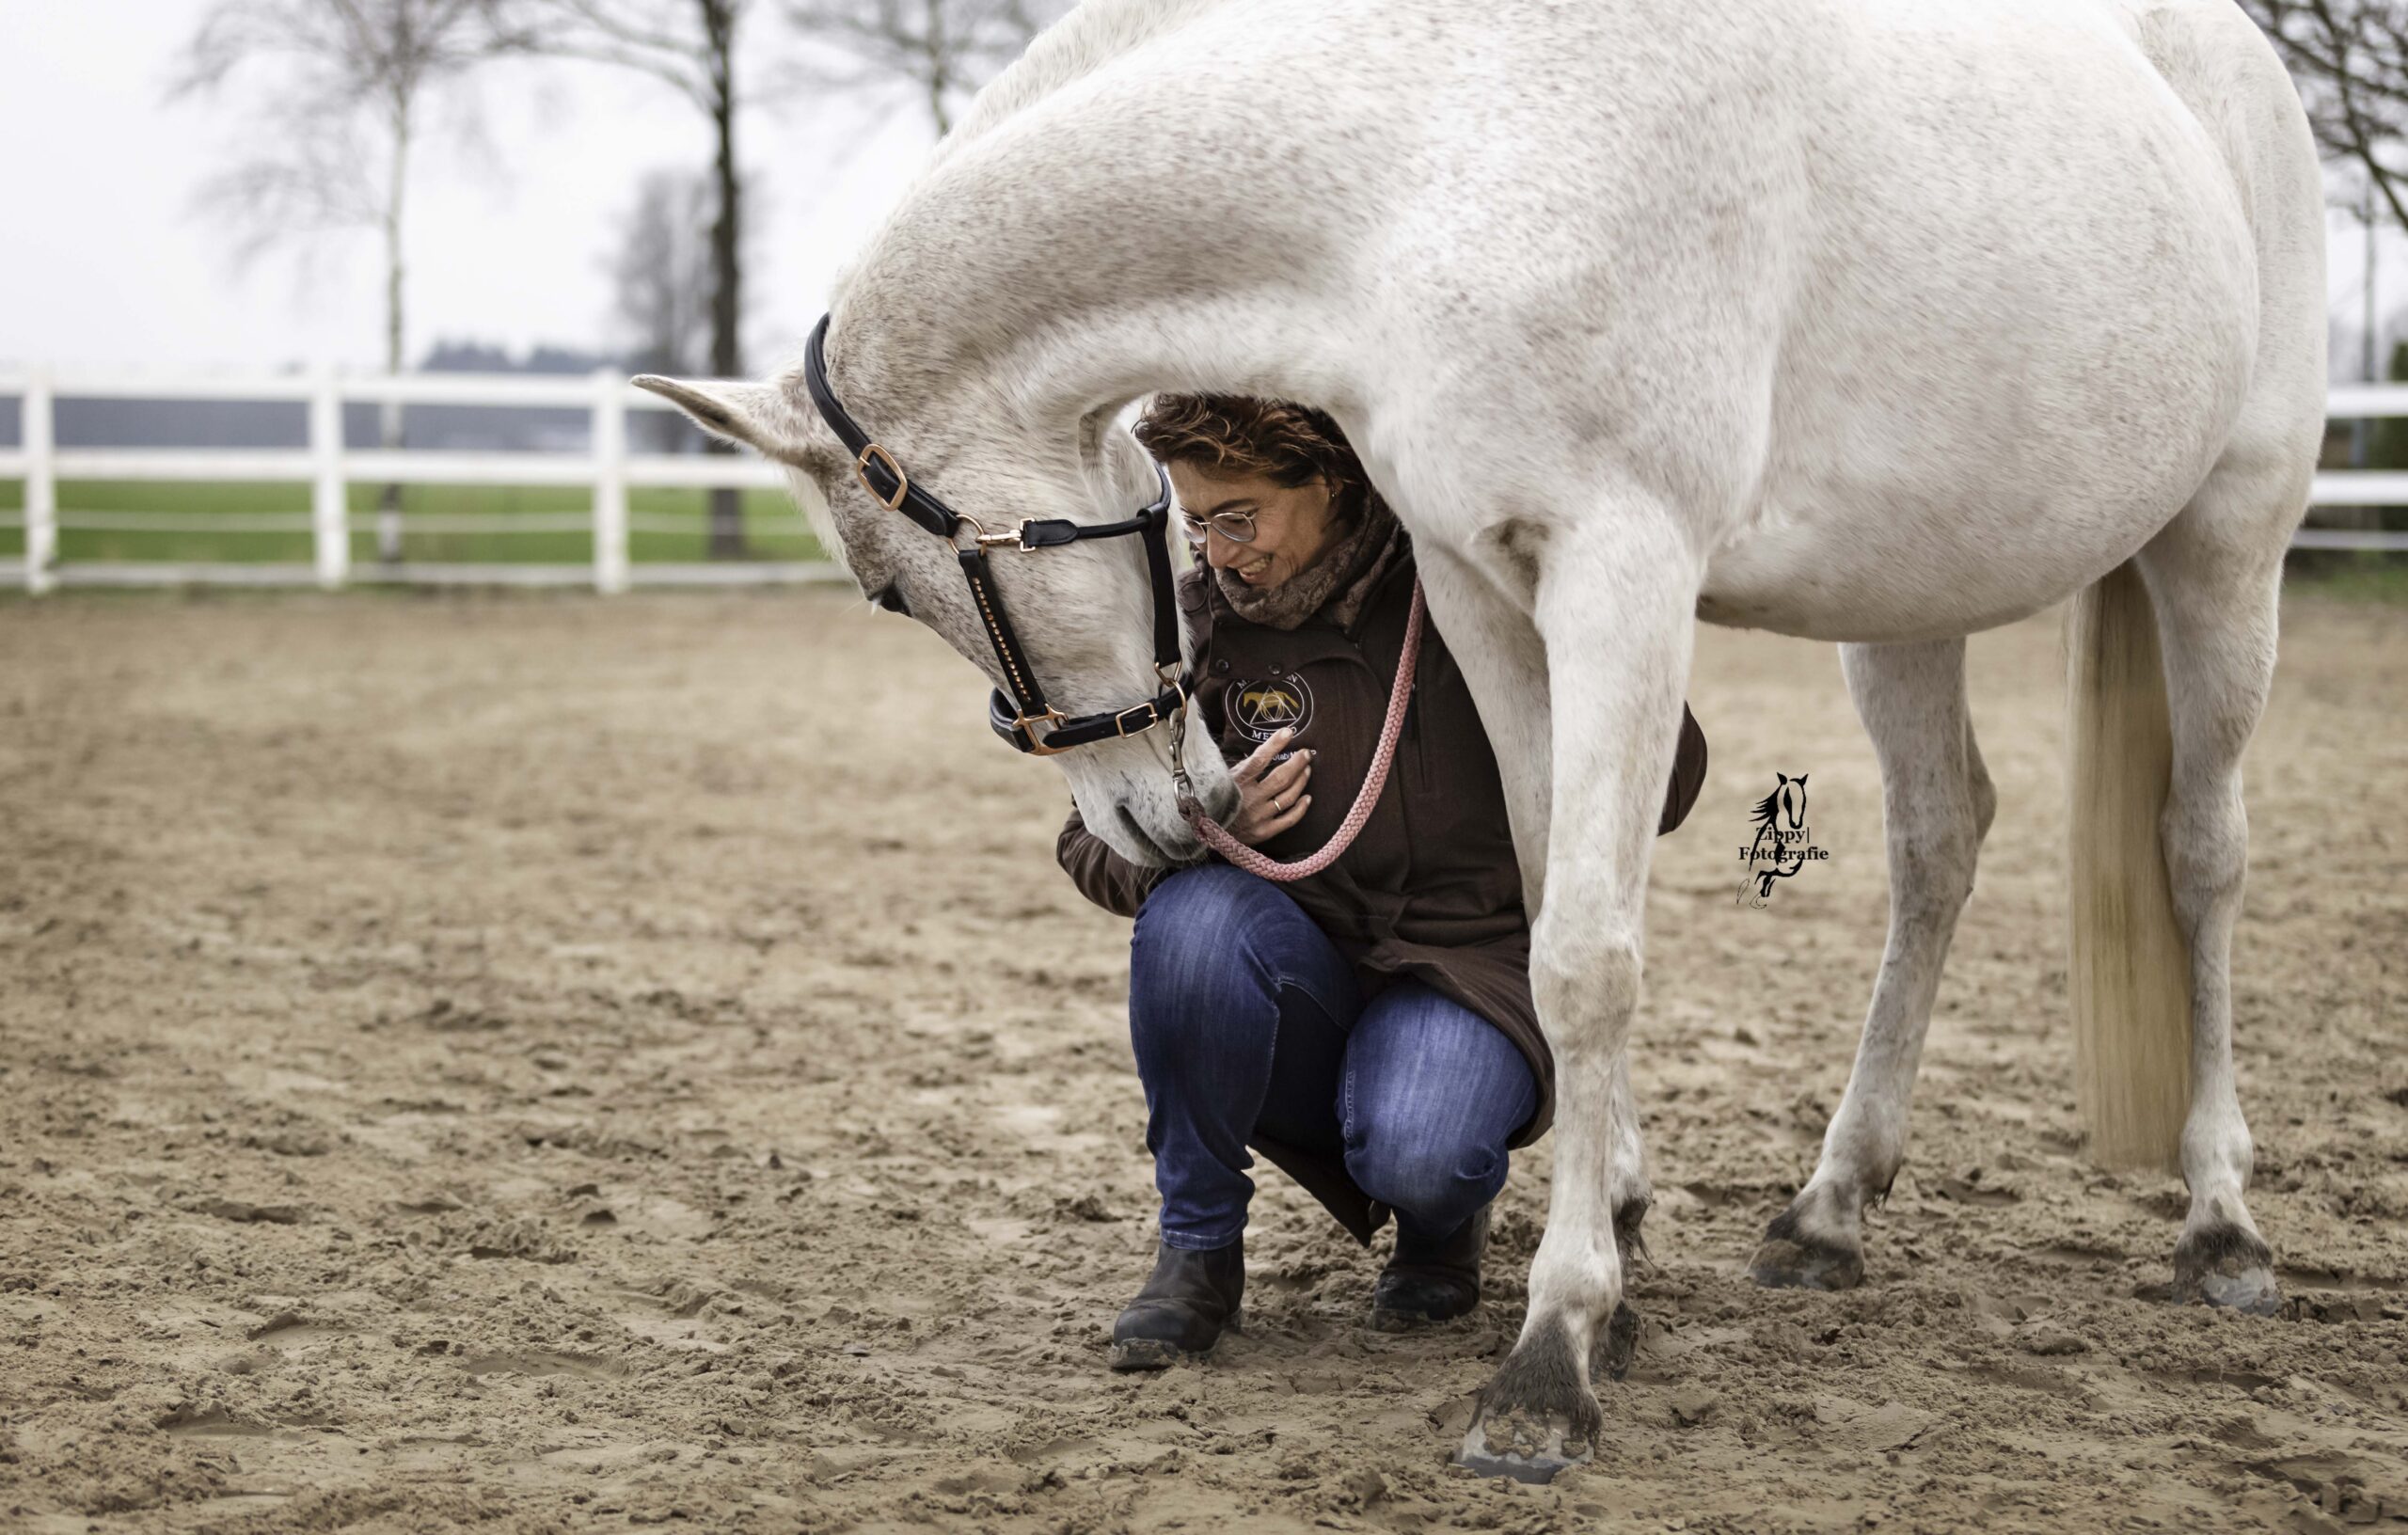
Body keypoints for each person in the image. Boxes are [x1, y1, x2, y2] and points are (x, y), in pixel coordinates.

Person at [1056, 395, 1708, 1370]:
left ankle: (1439, 1219)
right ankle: (1196, 1248)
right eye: (1197, 522)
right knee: (1189, 925)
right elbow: (1086, 842)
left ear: (1332, 482)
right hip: (1292, 962)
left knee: (1422, 1151)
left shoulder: (1473, 589)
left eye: (1240, 516)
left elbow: (1665, 792)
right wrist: (1198, 829)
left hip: (1467, 970)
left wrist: (1591, 652)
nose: (1219, 553)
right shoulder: (1192, 629)